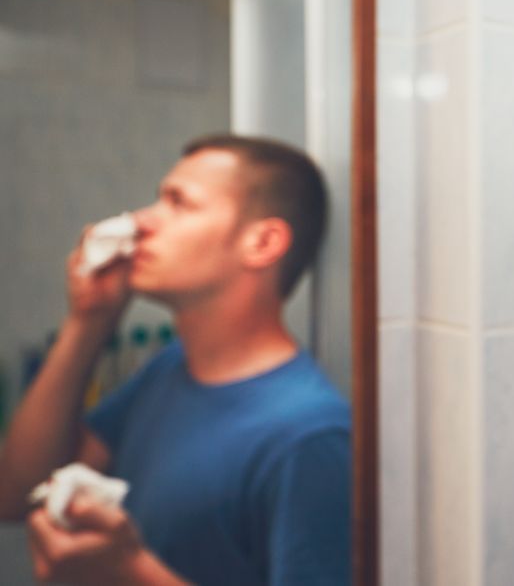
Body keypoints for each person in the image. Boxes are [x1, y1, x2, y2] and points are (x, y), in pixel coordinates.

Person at [0, 135, 351, 585]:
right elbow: (17, 492)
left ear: (262, 242)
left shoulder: (309, 435)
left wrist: (130, 573)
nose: (142, 221)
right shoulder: (172, 369)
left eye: (178, 203)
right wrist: (88, 322)